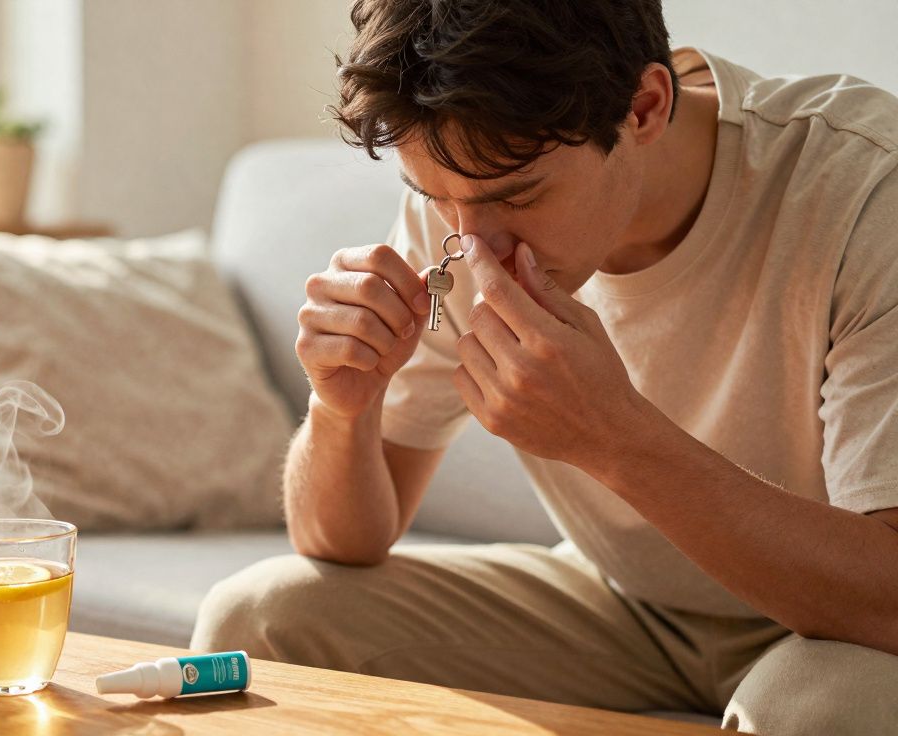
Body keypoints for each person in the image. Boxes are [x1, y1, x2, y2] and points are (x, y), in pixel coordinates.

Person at [190, 1, 898, 732]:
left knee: (814, 713)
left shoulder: (863, 191)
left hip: (836, 624)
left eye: (517, 196)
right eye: (435, 198)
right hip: (624, 607)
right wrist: (341, 408)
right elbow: (344, 545)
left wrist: (613, 439)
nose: (475, 246)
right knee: (259, 620)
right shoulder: (466, 201)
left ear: (646, 107)